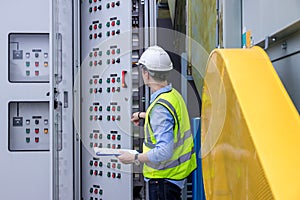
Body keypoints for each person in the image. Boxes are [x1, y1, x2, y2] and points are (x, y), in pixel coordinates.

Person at [118, 45, 197, 200]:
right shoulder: (172, 95)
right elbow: (170, 121)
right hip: (175, 176)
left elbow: (164, 151)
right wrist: (143, 115)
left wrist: (134, 158)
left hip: (163, 179)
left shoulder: (160, 108)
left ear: (146, 73)